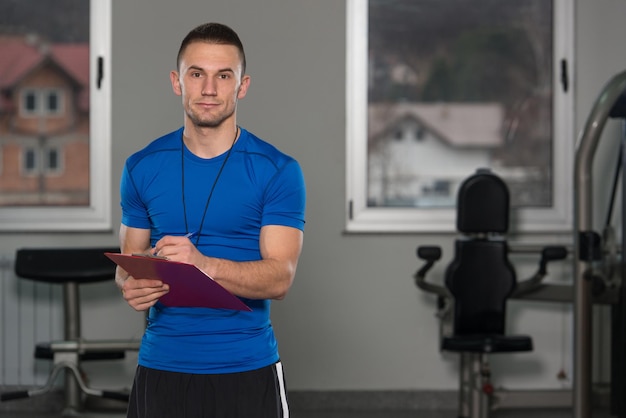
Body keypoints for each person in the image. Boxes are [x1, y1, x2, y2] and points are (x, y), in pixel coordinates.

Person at [115, 22, 306, 418]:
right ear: (176, 81)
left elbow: (280, 278)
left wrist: (203, 265)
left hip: (245, 368)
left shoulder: (277, 170)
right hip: (161, 366)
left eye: (224, 76)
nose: (208, 89)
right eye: (196, 73)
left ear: (243, 85)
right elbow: (129, 263)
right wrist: (129, 285)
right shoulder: (140, 167)